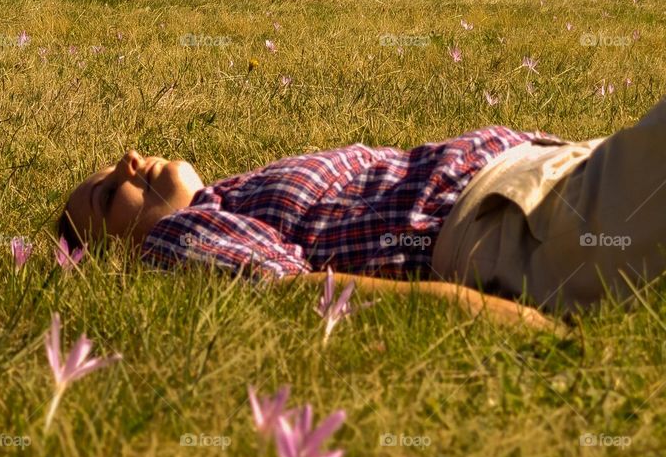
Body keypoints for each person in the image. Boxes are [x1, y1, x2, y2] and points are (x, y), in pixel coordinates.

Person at [59, 96, 666, 326]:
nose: (129, 160)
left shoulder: (226, 196)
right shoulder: (177, 235)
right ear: (117, 252)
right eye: (110, 194)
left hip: (542, 177)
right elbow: (299, 290)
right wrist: (497, 317)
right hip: (514, 217)